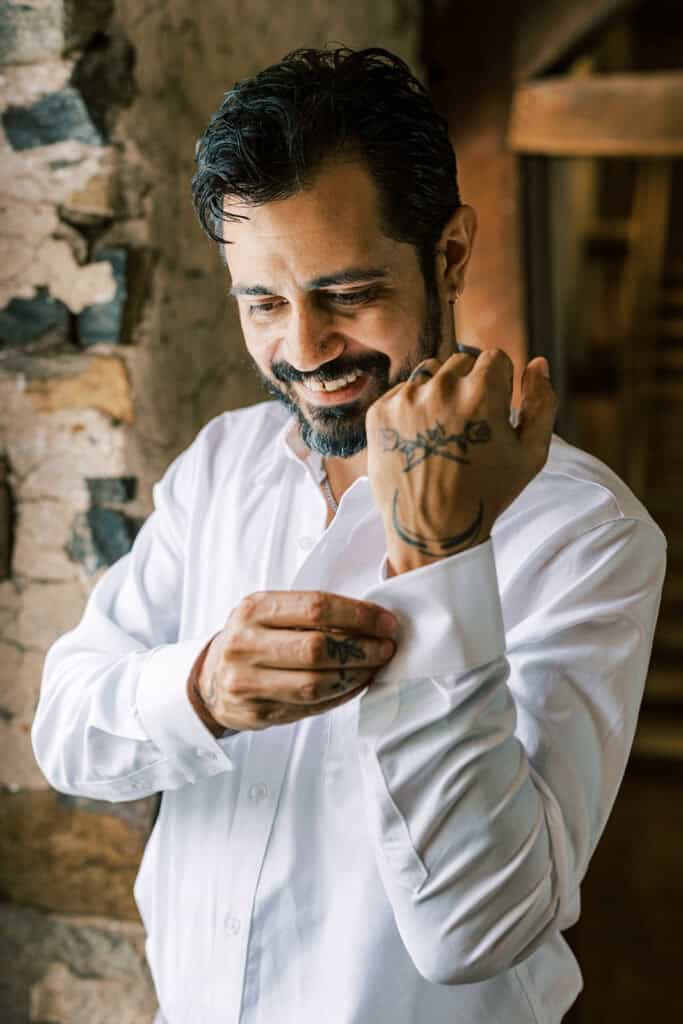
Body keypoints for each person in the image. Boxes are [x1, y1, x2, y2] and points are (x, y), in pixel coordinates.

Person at [32, 46, 666, 1024]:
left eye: (344, 294)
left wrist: (437, 551)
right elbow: (67, 731)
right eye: (262, 303)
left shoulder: (583, 532)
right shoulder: (220, 465)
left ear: (449, 253)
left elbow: (477, 932)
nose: (301, 348)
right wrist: (197, 690)